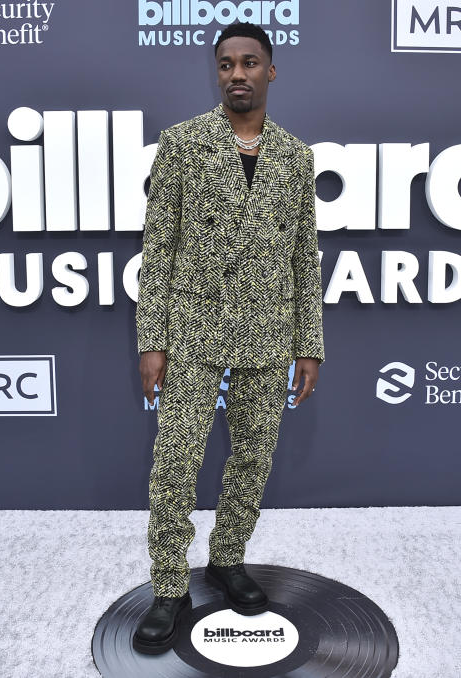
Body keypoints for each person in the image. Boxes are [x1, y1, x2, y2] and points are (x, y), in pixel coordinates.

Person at [132, 20, 325, 655]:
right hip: (192, 332)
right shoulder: (182, 145)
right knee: (175, 466)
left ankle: (227, 559)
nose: (236, 73)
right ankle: (168, 585)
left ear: (271, 71)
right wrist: (152, 339)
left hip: (269, 336)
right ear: (216, 74)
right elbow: (158, 251)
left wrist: (308, 343)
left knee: (251, 461)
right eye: (225, 64)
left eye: (248, 62)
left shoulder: (297, 157)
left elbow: (304, 256)